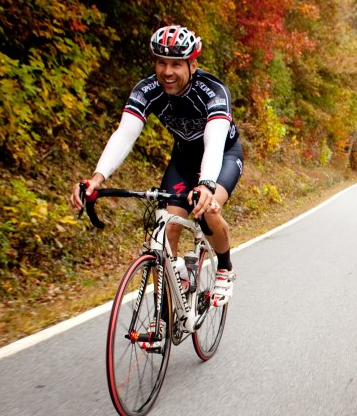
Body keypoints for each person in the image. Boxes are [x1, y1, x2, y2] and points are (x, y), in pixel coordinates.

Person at [70, 24, 243, 307]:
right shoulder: (148, 90)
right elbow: (124, 134)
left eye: (176, 64)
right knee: (165, 231)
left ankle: (224, 268)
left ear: (193, 64)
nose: (167, 71)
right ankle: (168, 308)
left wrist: (207, 184)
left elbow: (214, 141)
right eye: (161, 62)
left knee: (208, 210)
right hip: (184, 159)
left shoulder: (213, 91)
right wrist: (96, 179)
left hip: (222, 155)